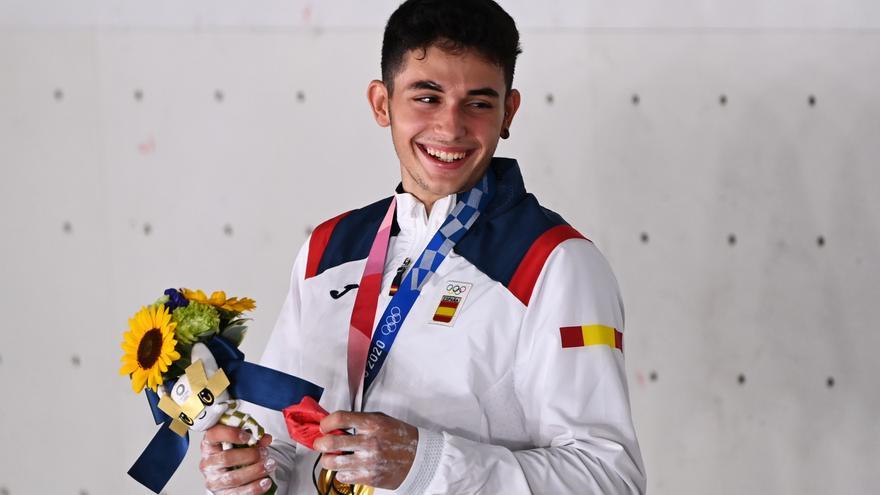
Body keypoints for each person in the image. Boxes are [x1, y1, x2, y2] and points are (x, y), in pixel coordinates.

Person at [198, 0, 646, 493]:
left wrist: (429, 463)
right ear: (381, 103)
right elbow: (282, 440)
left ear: (507, 112)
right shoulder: (327, 248)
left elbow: (609, 479)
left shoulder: (556, 263)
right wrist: (252, 472)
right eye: (427, 97)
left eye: (478, 102)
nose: (451, 128)